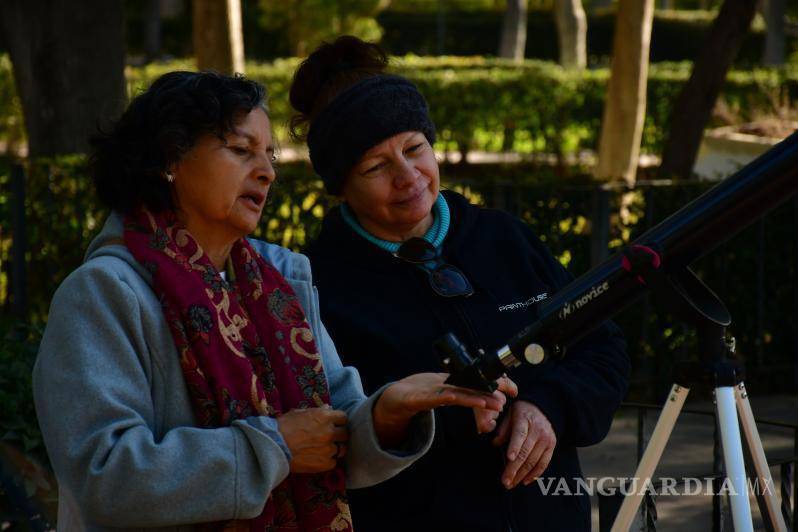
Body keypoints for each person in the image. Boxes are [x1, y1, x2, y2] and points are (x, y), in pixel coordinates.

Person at [32, 71, 507, 531]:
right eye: (241, 150)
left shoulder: (282, 281)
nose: (266, 172)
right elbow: (103, 474)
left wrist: (390, 411)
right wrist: (273, 448)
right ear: (168, 160)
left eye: (270, 155)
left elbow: (331, 434)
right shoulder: (102, 293)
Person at [289, 36, 631, 531]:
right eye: (376, 166)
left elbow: (602, 347)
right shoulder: (317, 285)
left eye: (414, 148)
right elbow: (331, 435)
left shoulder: (504, 239)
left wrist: (547, 407)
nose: (408, 177)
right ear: (341, 185)